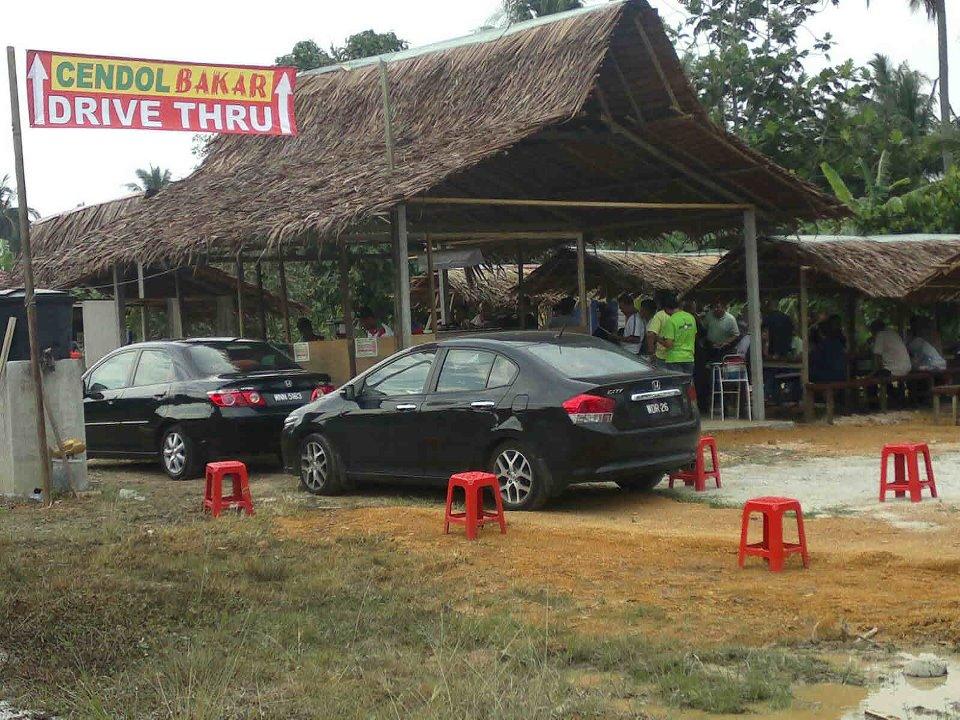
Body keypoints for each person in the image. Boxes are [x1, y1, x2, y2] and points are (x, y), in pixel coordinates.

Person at [658, 294, 697, 375]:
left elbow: (669, 344)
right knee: (688, 383)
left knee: (677, 384)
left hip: (674, 359)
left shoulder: (671, 321)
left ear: (666, 309)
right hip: (689, 357)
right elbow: (694, 335)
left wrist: (658, 339)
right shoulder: (691, 317)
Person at [645, 294, 670, 365]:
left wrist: (651, 353)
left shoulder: (660, 315)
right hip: (678, 356)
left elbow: (650, 335)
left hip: (662, 356)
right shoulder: (680, 315)